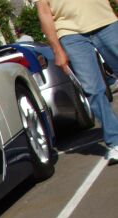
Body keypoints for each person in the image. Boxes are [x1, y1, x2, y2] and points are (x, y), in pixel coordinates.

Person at [34, 0, 118, 165]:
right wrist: (57, 50)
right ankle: (115, 141)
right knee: (92, 89)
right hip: (69, 33)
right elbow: (44, 12)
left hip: (106, 22)